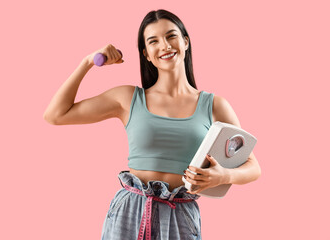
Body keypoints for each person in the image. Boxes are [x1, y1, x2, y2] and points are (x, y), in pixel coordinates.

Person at [43, 9, 261, 240]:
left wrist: (222, 176)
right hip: (129, 211)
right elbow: (56, 115)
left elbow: (253, 167)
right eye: (153, 41)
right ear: (146, 54)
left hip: (180, 215)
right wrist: (87, 62)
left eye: (171, 36)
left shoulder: (215, 105)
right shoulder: (127, 99)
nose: (165, 46)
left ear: (185, 42)